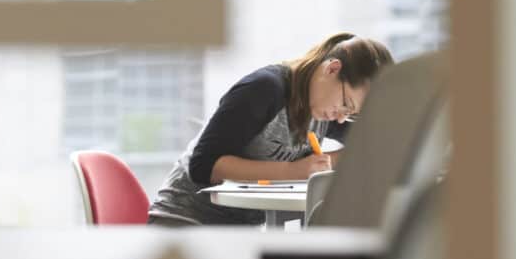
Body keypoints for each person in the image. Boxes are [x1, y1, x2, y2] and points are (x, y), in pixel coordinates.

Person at [148, 33, 394, 225]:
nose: (341, 119)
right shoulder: (265, 89)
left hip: (240, 231)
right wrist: (293, 170)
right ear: (331, 69)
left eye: (351, 113)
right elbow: (203, 166)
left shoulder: (325, 108)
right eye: (346, 104)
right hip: (184, 219)